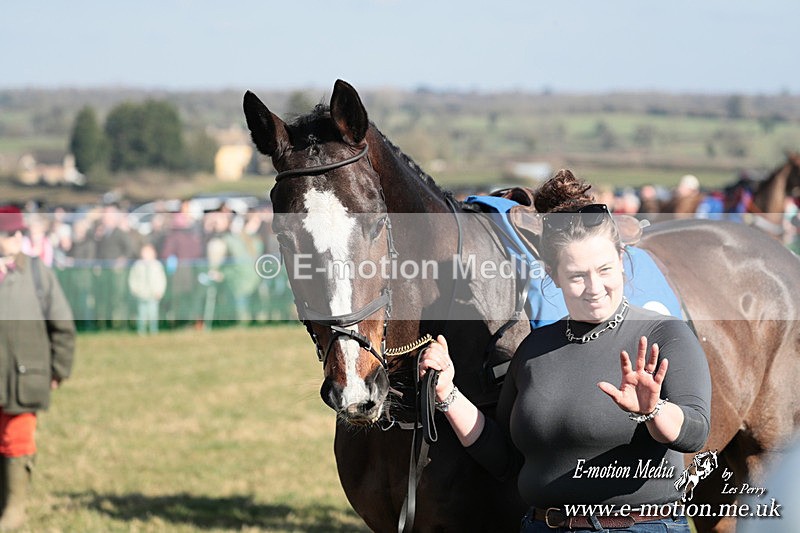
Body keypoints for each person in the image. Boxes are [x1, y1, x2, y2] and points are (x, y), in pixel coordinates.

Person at [420, 170, 712, 532]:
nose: (594, 287)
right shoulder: (534, 351)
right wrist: (447, 392)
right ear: (553, 275)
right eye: (577, 276)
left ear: (621, 260)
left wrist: (653, 411)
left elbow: (695, 432)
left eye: (604, 269)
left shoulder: (664, 334)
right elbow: (507, 460)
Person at [0, 205, 75, 530]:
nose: (10, 239)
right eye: (5, 233)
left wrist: (58, 370)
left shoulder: (36, 273)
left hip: (23, 376)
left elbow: (62, 325)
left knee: (16, 439)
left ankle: (14, 509)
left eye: (14, 233)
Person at [128, 243, 167, 335]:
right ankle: (141, 330)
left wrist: (160, 291)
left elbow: (161, 279)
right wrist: (134, 289)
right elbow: (133, 278)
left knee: (153, 313)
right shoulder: (137, 265)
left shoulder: (157, 265)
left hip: (153, 293)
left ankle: (154, 330)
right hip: (142, 293)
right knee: (142, 313)